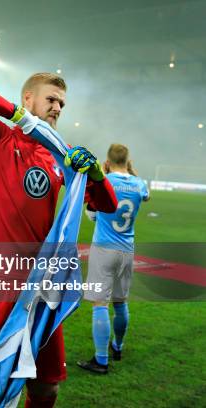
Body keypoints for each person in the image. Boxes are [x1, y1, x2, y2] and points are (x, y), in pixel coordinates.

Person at [0, 74, 118, 407]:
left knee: (47, 388)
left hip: (40, 286)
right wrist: (17, 115)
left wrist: (97, 175)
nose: (57, 107)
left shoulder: (61, 157)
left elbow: (107, 205)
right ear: (28, 98)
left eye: (61, 103)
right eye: (51, 99)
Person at [77, 144, 150, 374]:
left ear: (106, 162)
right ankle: (117, 346)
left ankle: (100, 360)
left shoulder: (104, 181)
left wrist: (104, 173)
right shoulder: (140, 184)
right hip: (127, 251)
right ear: (128, 161)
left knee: (101, 304)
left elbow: (91, 214)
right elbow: (146, 196)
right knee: (121, 302)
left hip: (104, 249)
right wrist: (131, 172)